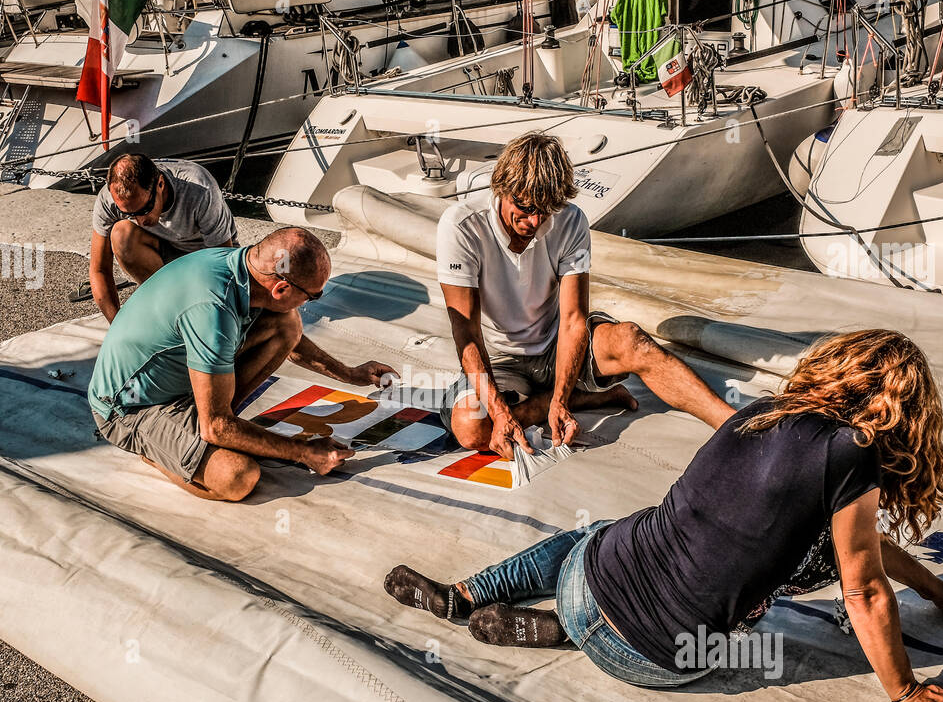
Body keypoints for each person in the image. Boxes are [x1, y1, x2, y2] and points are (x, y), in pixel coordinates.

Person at [386, 330, 943, 702]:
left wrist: (932, 586)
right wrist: (905, 691)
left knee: (604, 533)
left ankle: (472, 594)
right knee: (809, 561)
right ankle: (568, 634)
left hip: (586, 584)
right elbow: (863, 585)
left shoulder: (766, 412)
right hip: (654, 663)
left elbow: (855, 546)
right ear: (903, 413)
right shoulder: (853, 452)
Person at [437, 131, 733, 459]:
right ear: (501, 188)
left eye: (545, 211)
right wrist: (500, 413)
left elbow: (574, 318)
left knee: (633, 341)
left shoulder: (572, 220)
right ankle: (586, 397)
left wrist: (561, 402)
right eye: (524, 207)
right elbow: (466, 331)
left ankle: (735, 425)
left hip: (556, 346)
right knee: (471, 428)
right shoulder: (461, 226)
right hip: (499, 358)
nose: (534, 221)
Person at [88, 227, 395, 501]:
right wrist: (304, 453)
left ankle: (199, 430)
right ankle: (155, 452)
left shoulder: (241, 268)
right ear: (281, 289)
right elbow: (216, 427)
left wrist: (348, 373)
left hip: (178, 380)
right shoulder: (213, 311)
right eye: (312, 297)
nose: (311, 302)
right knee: (237, 477)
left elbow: (292, 341)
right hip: (131, 408)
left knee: (286, 324)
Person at [78, 154, 239, 321]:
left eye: (144, 209)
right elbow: (99, 270)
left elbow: (223, 264)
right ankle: (170, 307)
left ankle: (184, 309)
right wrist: (116, 326)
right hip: (166, 254)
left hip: (206, 257)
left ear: (160, 184)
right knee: (121, 234)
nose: (141, 221)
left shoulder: (200, 189)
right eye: (130, 214)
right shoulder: (110, 198)